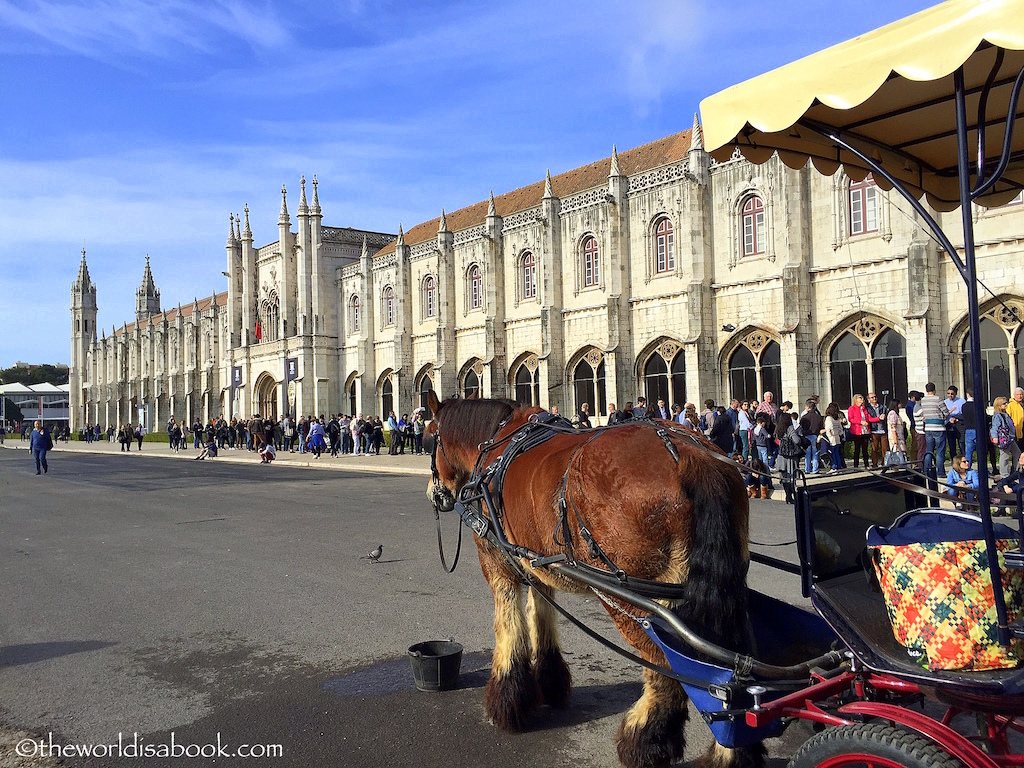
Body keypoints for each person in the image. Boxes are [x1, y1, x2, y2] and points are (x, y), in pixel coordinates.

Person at [914, 383, 949, 476]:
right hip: (938, 427)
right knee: (940, 451)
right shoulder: (938, 399)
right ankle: (940, 472)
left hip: (928, 427)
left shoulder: (923, 400)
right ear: (934, 390)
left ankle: (926, 469)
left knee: (929, 450)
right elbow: (946, 412)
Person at [774, 412, 801, 504]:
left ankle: (788, 495)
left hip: (781, 455)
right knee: (791, 476)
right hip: (790, 455)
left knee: (784, 476)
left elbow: (777, 440)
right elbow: (796, 440)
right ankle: (792, 495)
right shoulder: (790, 428)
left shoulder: (778, 428)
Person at [991, 397, 1019, 477]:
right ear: (999, 406)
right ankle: (1004, 475)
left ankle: (1015, 471)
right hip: (1004, 439)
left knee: (1017, 454)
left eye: (1006, 403)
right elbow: (994, 427)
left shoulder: (1005, 414)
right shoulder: (997, 416)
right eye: (1004, 403)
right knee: (1005, 456)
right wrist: (995, 437)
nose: (1006, 404)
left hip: (1010, 437)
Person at [799, 398, 824, 474]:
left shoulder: (804, 417)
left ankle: (807, 469)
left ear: (808, 407)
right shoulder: (818, 417)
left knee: (807, 453)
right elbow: (820, 427)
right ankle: (815, 469)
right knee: (815, 453)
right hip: (815, 436)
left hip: (807, 436)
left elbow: (801, 427)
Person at [944, 385, 967, 463]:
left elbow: (964, 414)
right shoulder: (945, 402)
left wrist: (956, 418)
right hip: (949, 424)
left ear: (956, 394)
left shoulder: (961, 401)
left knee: (961, 443)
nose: (950, 395)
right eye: (948, 393)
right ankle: (954, 461)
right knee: (951, 445)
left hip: (959, 423)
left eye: (952, 394)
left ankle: (964, 459)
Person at [848, 394, 871, 469]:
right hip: (857, 431)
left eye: (862, 398)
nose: (862, 399)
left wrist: (878, 418)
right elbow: (851, 419)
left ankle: (866, 464)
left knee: (865, 449)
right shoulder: (852, 408)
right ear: (856, 399)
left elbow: (869, 418)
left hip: (865, 431)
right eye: (860, 398)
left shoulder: (864, 408)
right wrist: (860, 422)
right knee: (857, 449)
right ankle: (856, 465)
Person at [865, 393, 888, 468]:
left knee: (885, 448)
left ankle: (884, 463)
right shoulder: (867, 408)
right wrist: (878, 418)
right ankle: (874, 464)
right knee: (874, 448)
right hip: (874, 430)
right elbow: (869, 419)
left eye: (875, 397)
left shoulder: (882, 406)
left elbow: (887, 415)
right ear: (869, 400)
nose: (874, 398)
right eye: (872, 397)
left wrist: (885, 416)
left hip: (883, 430)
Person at [823, 402, 846, 471]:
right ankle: (838, 466)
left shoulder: (829, 418)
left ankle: (834, 467)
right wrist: (838, 433)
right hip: (837, 437)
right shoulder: (837, 418)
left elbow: (828, 428)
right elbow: (840, 429)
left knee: (832, 453)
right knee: (837, 453)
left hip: (832, 438)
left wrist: (829, 435)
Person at [886, 398, 907, 464]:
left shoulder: (896, 413)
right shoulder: (892, 413)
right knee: (896, 453)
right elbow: (893, 427)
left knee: (901, 453)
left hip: (899, 436)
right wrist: (895, 439)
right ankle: (896, 468)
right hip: (895, 437)